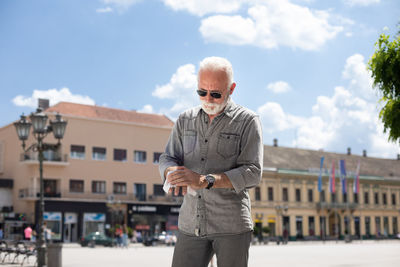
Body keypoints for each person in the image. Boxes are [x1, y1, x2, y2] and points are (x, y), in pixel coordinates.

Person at [159, 56, 263, 267]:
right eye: (201, 92)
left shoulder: (248, 121)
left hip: (231, 226)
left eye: (216, 94)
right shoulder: (184, 120)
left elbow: (253, 171)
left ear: (231, 89)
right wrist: (171, 171)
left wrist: (205, 180)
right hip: (190, 223)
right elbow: (168, 156)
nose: (208, 99)